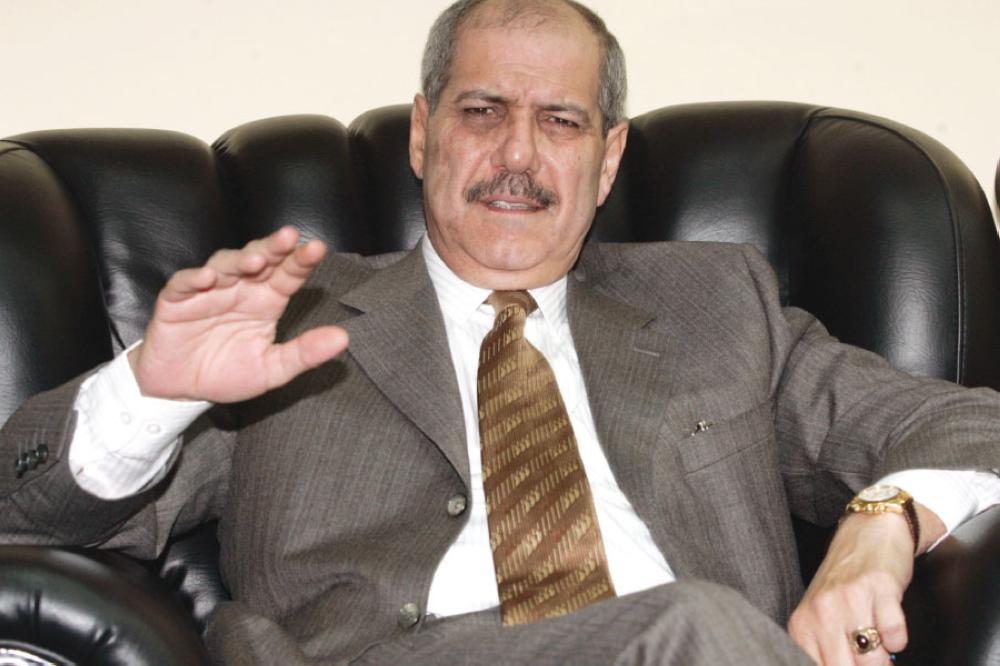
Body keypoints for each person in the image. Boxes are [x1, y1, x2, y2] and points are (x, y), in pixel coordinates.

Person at [2, 0, 999, 664]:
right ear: (423, 133)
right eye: (483, 112)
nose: (518, 154)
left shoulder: (716, 305)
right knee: (696, 626)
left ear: (608, 159)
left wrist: (883, 522)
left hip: (701, 650)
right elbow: (21, 509)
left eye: (560, 122)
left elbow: (971, 425)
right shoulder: (287, 325)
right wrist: (151, 392)